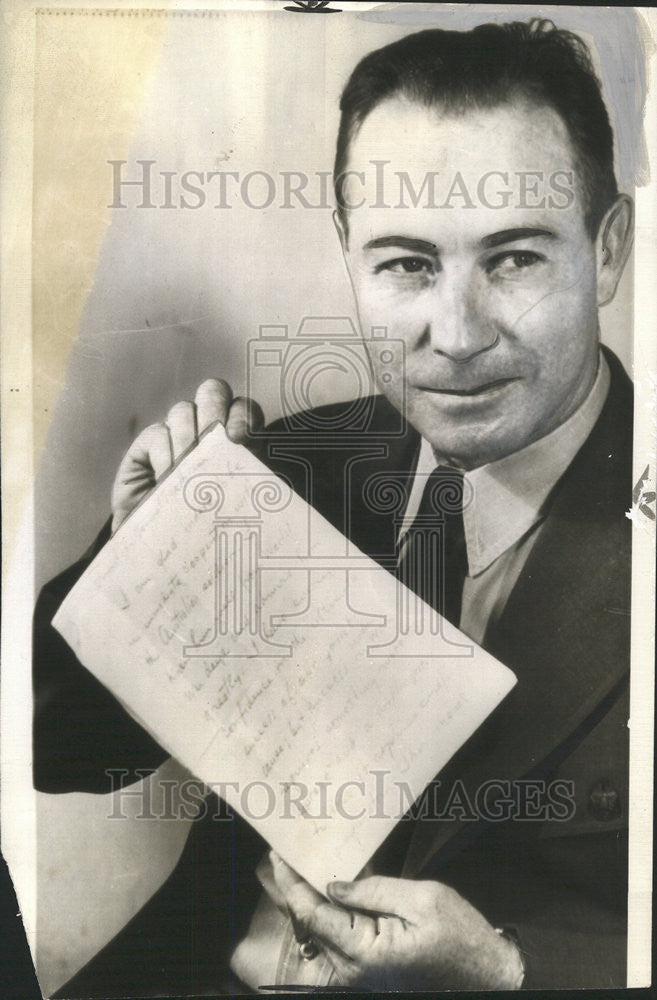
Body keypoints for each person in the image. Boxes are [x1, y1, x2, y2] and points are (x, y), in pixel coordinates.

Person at [33, 19, 635, 993]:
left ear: (607, 252)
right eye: (405, 263)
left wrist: (510, 966)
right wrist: (134, 564)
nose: (456, 334)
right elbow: (58, 756)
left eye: (515, 259)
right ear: (348, 252)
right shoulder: (287, 467)